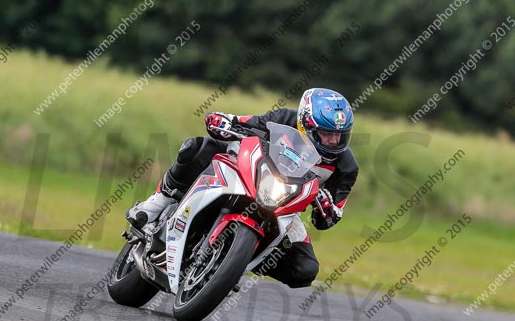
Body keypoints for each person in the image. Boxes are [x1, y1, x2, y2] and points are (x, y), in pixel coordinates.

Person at [126, 88, 358, 289]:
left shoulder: (346, 167)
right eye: (326, 133)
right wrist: (224, 122)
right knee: (199, 147)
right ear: (305, 123)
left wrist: (327, 211)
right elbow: (245, 123)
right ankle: (158, 203)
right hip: (253, 174)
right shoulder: (283, 118)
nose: (333, 141)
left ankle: (234, 263)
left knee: (305, 269)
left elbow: (329, 217)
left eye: (339, 135)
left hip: (288, 206)